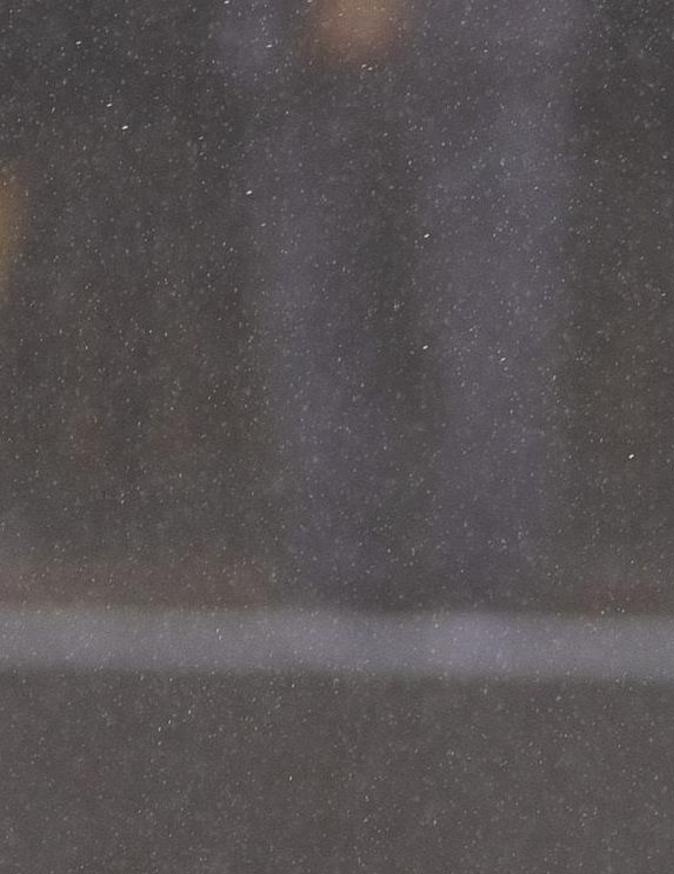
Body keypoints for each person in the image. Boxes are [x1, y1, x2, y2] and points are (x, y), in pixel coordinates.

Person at [216, 0, 591, 610]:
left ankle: (483, 579)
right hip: (309, 72)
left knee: (489, 325)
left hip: (485, 67)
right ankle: (338, 570)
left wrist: (420, 20)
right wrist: (307, 23)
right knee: (322, 331)